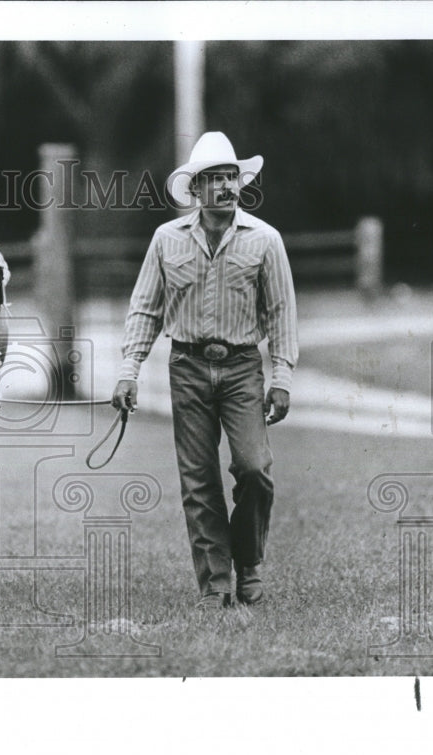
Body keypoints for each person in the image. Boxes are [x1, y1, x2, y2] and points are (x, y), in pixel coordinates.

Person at [111, 131, 298, 609]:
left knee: (255, 469)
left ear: (241, 183)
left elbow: (280, 313)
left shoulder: (266, 240)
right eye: (213, 178)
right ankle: (216, 582)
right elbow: (146, 309)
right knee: (198, 480)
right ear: (195, 189)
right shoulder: (165, 240)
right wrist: (129, 370)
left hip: (240, 368)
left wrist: (281, 378)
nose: (224, 186)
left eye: (230, 176)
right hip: (187, 365)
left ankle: (249, 563)